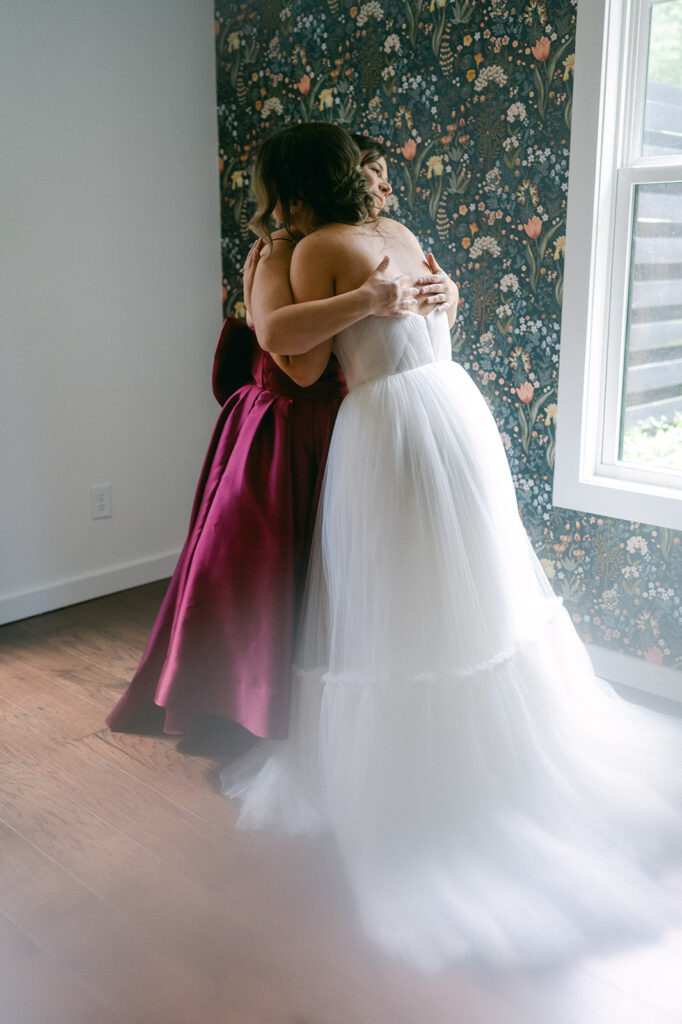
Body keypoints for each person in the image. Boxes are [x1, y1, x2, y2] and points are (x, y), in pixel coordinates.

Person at [222, 122, 682, 972]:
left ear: (296, 184)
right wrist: (407, 302)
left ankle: (421, 781)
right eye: (370, 166)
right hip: (451, 410)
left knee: (394, 596)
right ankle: (479, 760)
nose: (383, 178)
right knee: (462, 589)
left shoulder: (322, 245)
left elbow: (295, 361)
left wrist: (371, 302)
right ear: (348, 174)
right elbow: (410, 320)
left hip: (396, 425)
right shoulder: (390, 234)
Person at [105, 130, 419, 741]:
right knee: (260, 574)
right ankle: (237, 707)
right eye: (371, 173)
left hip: (336, 424)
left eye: (382, 174)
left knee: (322, 576)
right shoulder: (281, 251)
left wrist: (439, 292)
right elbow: (291, 358)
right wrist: (262, 298)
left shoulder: (350, 244)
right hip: (281, 429)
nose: (381, 187)